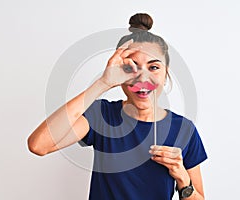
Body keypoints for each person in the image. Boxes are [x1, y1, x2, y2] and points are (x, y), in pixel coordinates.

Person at [27, 13, 207, 200]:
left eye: (153, 67)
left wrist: (183, 179)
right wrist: (103, 83)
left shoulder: (184, 130)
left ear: (166, 73)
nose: (142, 78)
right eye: (130, 67)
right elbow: (39, 145)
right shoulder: (101, 115)